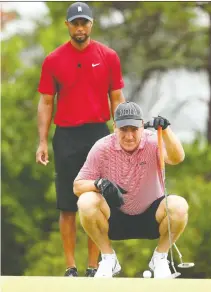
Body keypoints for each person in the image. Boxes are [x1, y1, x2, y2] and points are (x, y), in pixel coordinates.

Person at [36, 1, 125, 277]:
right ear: (67, 25)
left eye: (84, 22)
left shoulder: (108, 56)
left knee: (96, 201)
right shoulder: (53, 60)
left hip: (98, 134)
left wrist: (120, 134)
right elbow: (46, 101)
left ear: (91, 24)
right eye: (75, 23)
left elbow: (117, 97)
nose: (79, 28)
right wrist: (42, 141)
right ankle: (70, 267)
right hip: (66, 137)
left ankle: (94, 265)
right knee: (67, 204)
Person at [73, 101, 189, 278]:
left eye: (133, 129)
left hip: (152, 217)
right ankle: (108, 258)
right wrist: (99, 184)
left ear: (142, 127)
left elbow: (177, 157)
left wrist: (165, 130)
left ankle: (160, 258)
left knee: (179, 206)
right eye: (123, 129)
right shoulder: (102, 147)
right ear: (114, 127)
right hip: (115, 218)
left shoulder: (153, 141)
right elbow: (78, 185)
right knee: (86, 201)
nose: (129, 136)